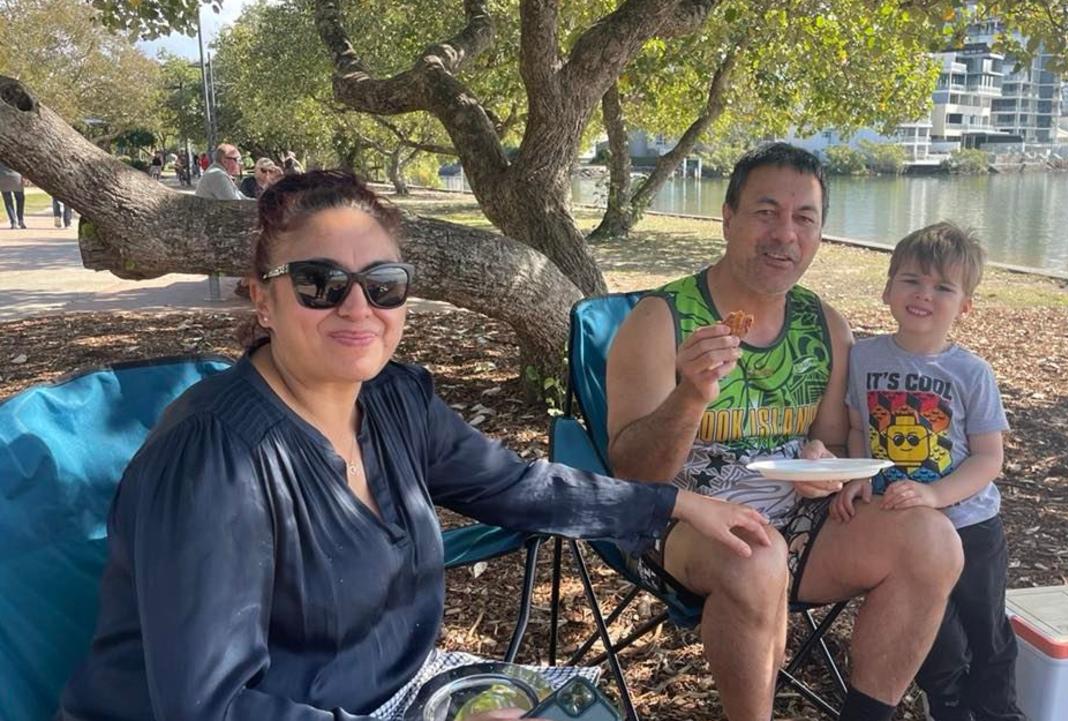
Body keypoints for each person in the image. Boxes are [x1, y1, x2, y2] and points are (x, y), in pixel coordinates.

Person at [57, 170, 770, 721]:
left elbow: (517, 486)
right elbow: (210, 705)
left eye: (383, 283)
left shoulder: (396, 399)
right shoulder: (216, 458)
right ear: (262, 298)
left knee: (581, 705)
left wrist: (673, 502)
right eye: (318, 282)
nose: (357, 306)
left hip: (393, 688)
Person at [606, 143, 963, 721]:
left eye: (804, 218)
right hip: (682, 522)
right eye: (766, 212)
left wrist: (831, 467)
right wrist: (691, 395)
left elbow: (835, 444)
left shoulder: (823, 325)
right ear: (728, 218)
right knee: (756, 556)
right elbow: (633, 474)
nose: (784, 235)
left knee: (934, 540)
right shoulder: (661, 320)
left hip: (801, 523)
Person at [835, 222, 1022, 721]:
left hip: (971, 526)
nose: (924, 295)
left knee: (987, 632)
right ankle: (949, 708)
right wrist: (857, 477)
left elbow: (988, 457)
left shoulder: (971, 373)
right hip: (903, 531)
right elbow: (859, 431)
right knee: (936, 640)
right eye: (912, 280)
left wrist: (937, 494)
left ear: (964, 306)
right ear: (887, 288)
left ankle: (999, 711)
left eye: (943, 287)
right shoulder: (863, 357)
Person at [0, 161, 26, 229]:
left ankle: (13, 222)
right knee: (20, 199)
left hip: (3, 178)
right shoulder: (14, 153)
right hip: (16, 177)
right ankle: (20, 220)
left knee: (8, 202)